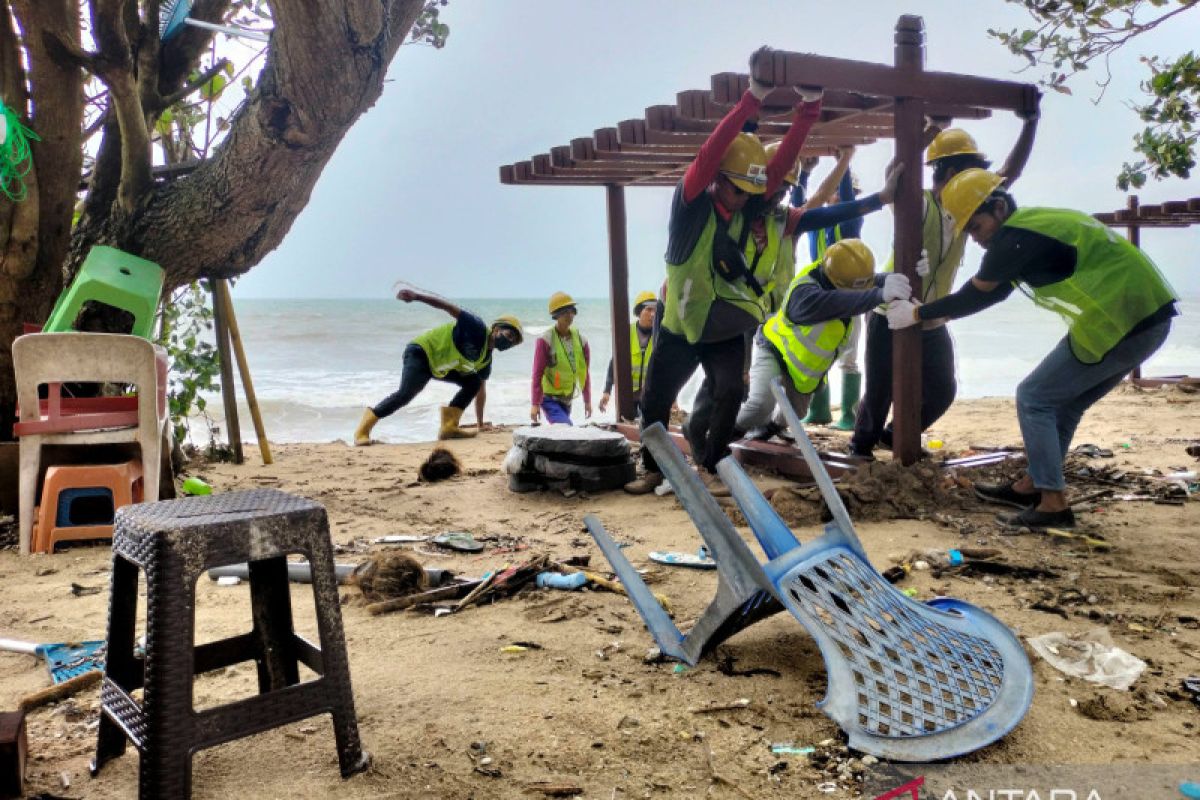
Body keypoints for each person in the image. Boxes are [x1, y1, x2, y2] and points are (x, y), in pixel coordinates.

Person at [886, 168, 1178, 530]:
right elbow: (993, 292)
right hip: (1144, 318)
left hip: (1124, 319)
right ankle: (1036, 484)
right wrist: (930, 315)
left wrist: (917, 313)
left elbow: (977, 292)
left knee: (1033, 396)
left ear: (998, 208)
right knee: (1065, 404)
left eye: (975, 227)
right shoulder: (1030, 228)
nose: (975, 239)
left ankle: (1053, 503)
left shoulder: (1014, 238)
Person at [626, 46, 825, 496]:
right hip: (678, 326)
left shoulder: (745, 205)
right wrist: (751, 98)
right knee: (655, 401)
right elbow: (711, 152)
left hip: (721, 326)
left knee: (729, 392)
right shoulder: (691, 206)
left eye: (747, 192)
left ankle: (713, 464)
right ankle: (653, 468)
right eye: (736, 189)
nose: (743, 198)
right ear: (719, 180)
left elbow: (773, 173)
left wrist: (808, 112)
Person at [679, 144, 902, 466]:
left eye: (786, 189)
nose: (780, 196)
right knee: (729, 386)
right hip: (738, 313)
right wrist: (840, 164)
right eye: (776, 187)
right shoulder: (738, 216)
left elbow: (822, 208)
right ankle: (706, 435)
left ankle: (745, 430)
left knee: (766, 403)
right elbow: (818, 202)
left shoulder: (784, 222)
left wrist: (877, 198)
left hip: (768, 314)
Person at [850, 114, 1039, 459]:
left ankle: (895, 437)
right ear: (951, 173)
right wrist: (933, 128)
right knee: (880, 389)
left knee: (942, 390)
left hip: (933, 315)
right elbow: (896, 167)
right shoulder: (917, 202)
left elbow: (1010, 172)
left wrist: (1030, 122)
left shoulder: (972, 200)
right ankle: (861, 447)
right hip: (891, 311)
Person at [737, 239, 910, 435]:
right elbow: (839, 301)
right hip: (773, 349)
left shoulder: (837, 276)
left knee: (794, 414)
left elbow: (864, 283)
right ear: (836, 282)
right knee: (759, 406)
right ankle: (725, 434)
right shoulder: (805, 295)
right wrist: (879, 295)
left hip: (801, 368)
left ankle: (768, 430)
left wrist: (899, 277)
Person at [355, 287, 523, 445]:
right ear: (495, 329)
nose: (508, 341)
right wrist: (417, 297)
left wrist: (480, 424)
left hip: (440, 368)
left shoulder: (486, 360)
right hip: (420, 352)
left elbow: (481, 391)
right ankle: (363, 430)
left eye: (513, 341)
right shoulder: (476, 327)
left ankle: (448, 427)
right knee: (406, 394)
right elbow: (448, 307)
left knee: (474, 382)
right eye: (508, 335)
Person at [802, 158, 864, 429]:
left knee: (849, 357)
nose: (836, 198)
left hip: (849, 295)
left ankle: (849, 415)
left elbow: (849, 201)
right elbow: (799, 206)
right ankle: (819, 410)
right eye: (832, 193)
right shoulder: (817, 224)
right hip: (821, 295)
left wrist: (846, 161)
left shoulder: (851, 223)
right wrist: (803, 174)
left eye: (842, 192)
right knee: (818, 354)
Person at [531, 291, 592, 425]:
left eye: (571, 311)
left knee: (562, 433)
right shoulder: (545, 340)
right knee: (566, 428)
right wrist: (535, 404)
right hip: (548, 398)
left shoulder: (582, 341)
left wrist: (587, 400)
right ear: (556, 315)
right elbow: (537, 373)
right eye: (564, 312)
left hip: (567, 399)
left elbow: (585, 372)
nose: (569, 315)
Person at [599, 290, 656, 416]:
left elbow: (665, 370)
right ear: (638, 312)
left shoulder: (659, 336)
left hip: (649, 396)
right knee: (629, 425)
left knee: (648, 427)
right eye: (648, 309)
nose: (652, 314)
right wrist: (607, 391)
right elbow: (614, 363)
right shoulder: (626, 332)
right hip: (627, 397)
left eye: (655, 310)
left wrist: (673, 399)